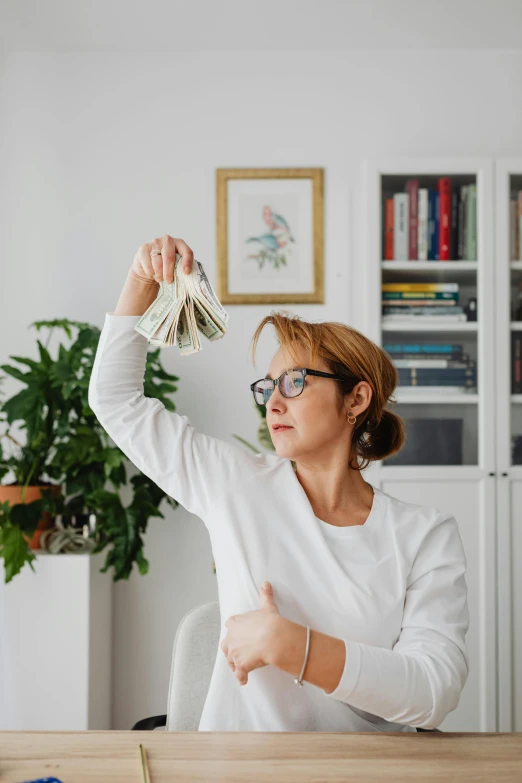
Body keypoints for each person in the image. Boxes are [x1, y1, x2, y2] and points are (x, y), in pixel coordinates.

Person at [88, 234, 470, 732]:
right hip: (240, 769)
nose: (272, 402)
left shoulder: (424, 535)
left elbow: (433, 690)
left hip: (361, 773)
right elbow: (116, 401)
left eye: (295, 382)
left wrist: (291, 646)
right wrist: (140, 283)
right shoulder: (234, 485)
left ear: (355, 400)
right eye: (267, 387)